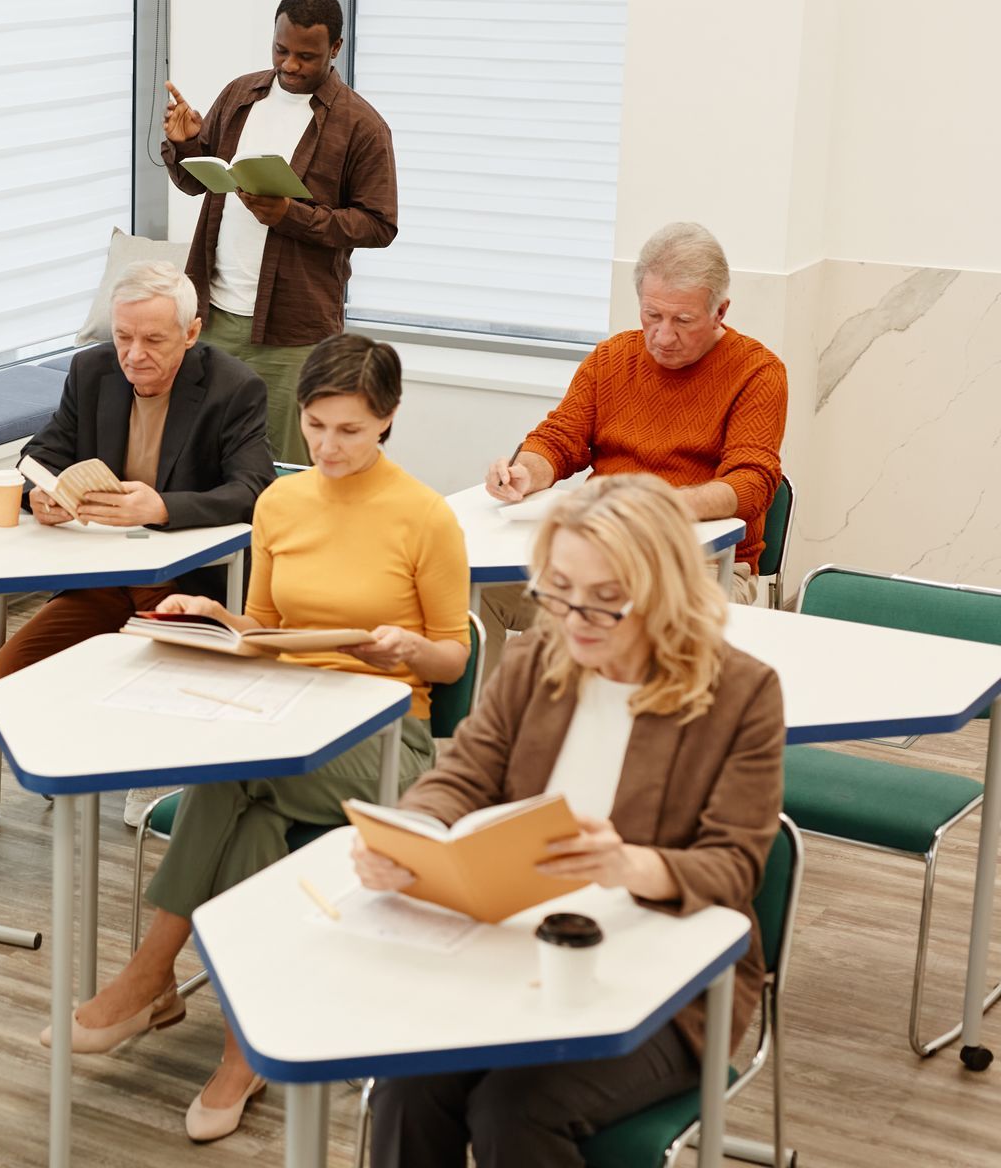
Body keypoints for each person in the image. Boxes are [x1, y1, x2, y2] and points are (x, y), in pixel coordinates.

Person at [48, 333, 468, 1144]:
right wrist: (214, 619)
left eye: (349, 429)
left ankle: (149, 976)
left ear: (388, 421)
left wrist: (409, 649)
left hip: (385, 735)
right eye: (315, 425)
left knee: (231, 779)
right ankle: (249, 1046)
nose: (327, 446)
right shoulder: (280, 503)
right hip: (292, 709)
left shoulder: (425, 515)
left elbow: (453, 653)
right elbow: (268, 630)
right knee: (254, 806)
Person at [356, 474, 785, 1168]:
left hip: (669, 983)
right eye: (559, 591)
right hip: (515, 945)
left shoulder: (742, 693)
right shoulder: (534, 659)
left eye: (607, 600)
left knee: (515, 1112)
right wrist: (413, 839)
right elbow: (463, 776)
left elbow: (736, 866)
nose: (576, 618)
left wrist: (631, 865)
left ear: (665, 592)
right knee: (408, 1086)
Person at [0, 260, 273, 827]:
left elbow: (254, 489)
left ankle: (159, 773)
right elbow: (38, 456)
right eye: (123, 337)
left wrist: (164, 507)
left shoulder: (233, 387)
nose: (134, 355)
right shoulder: (92, 371)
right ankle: (83, 761)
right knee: (12, 672)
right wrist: (37, 496)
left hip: (181, 585)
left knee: (159, 684)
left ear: (191, 335)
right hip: (102, 578)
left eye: (153, 339)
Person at [479, 222, 787, 664]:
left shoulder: (757, 373)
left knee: (617, 622)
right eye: (652, 316)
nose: (663, 336)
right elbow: (559, 439)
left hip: (703, 566)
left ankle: (616, 730)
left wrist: (652, 507)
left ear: (720, 311)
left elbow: (752, 485)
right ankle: (489, 732)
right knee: (470, 596)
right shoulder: (611, 358)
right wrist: (528, 470)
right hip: (597, 552)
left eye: (683, 321)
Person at [163, 0, 398, 466]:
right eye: (281, 50)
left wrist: (292, 216)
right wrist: (186, 145)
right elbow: (196, 182)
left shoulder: (361, 126)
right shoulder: (240, 94)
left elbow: (379, 224)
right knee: (201, 458)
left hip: (294, 332)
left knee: (283, 470)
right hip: (212, 314)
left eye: (306, 56)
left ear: (334, 49)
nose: (290, 65)